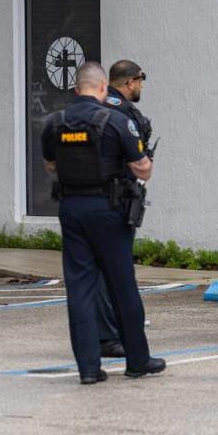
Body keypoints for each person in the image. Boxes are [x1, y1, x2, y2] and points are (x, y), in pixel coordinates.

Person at [41, 62, 165, 385]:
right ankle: (138, 361)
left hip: (70, 209)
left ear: (75, 89)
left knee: (80, 290)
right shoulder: (117, 122)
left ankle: (88, 369)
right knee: (122, 285)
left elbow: (50, 164)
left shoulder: (54, 123)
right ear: (101, 89)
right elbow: (142, 169)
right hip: (109, 211)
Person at [94, 60, 153, 358]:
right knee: (115, 270)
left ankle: (103, 331)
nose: (141, 87)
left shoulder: (95, 106)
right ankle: (109, 335)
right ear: (130, 82)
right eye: (140, 81)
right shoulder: (126, 114)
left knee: (96, 271)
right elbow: (140, 165)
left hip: (91, 199)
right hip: (117, 199)